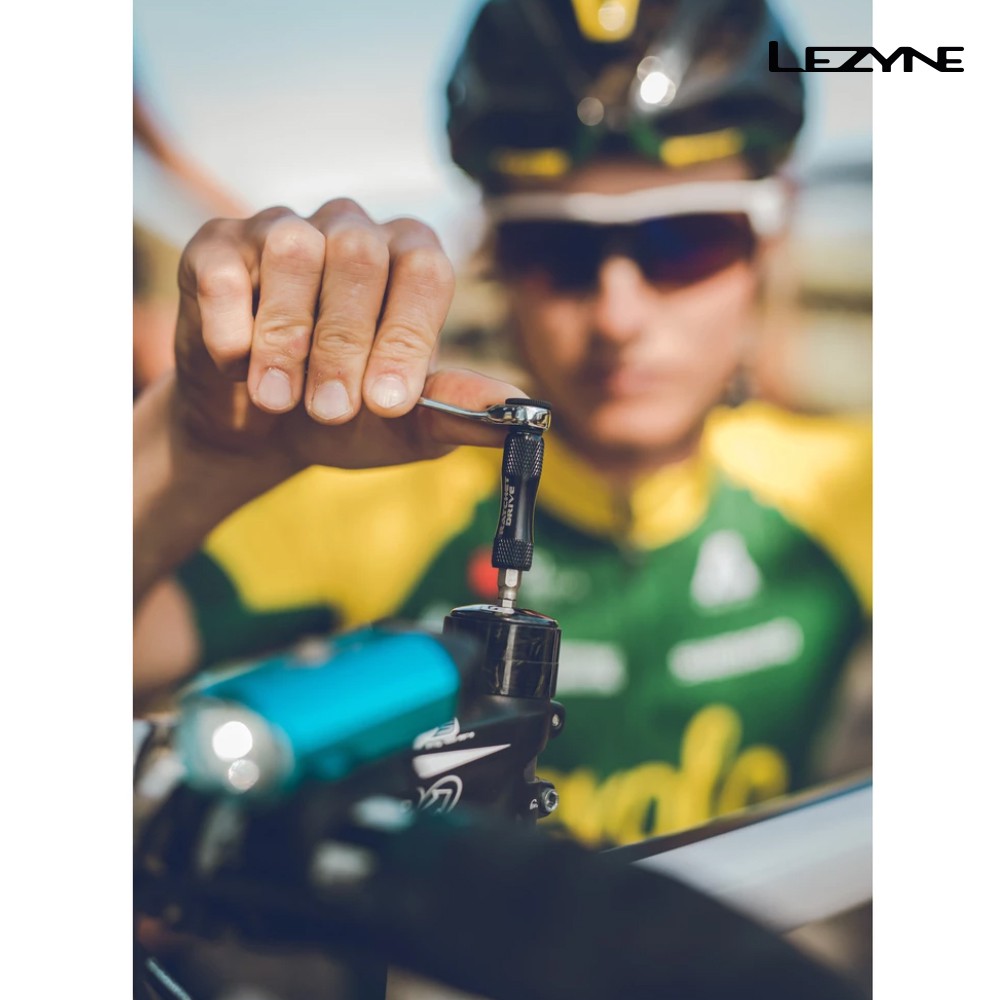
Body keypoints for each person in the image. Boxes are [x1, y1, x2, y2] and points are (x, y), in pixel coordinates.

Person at [134, 0, 871, 850]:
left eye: (686, 243)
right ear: (496, 262)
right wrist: (188, 457)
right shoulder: (371, 501)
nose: (619, 316)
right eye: (556, 252)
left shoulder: (853, 485)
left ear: (764, 250)